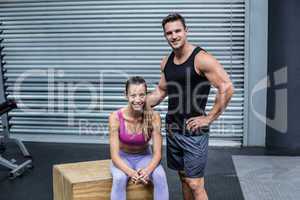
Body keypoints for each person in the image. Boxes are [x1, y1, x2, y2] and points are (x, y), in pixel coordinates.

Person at [147, 13, 234, 200]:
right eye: (169, 33)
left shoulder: (201, 59)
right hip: (173, 128)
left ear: (186, 31)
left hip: (193, 131)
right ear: (165, 35)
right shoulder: (166, 62)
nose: (174, 36)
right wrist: (136, 103)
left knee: (195, 183)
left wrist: (209, 118)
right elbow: (161, 92)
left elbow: (226, 87)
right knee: (184, 178)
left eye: (178, 31)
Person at [109, 76, 169, 200]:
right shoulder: (115, 117)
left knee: (160, 175)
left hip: (145, 157)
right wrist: (131, 173)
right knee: (120, 178)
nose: (137, 100)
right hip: (122, 158)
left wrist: (147, 171)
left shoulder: (154, 117)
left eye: (142, 95)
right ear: (126, 95)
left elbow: (158, 154)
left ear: (146, 95)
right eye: (133, 95)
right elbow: (114, 156)